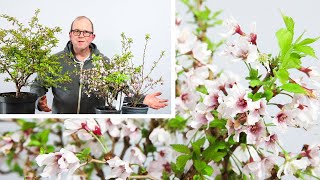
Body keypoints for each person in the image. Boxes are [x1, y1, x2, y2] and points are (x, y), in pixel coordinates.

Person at [31, 16, 168, 114]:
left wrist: (143, 99)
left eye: (86, 32)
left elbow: (120, 91)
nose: (81, 35)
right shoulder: (55, 61)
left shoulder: (104, 63)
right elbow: (38, 85)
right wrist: (38, 101)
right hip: (62, 123)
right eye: (77, 31)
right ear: (70, 35)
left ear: (92, 37)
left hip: (94, 125)